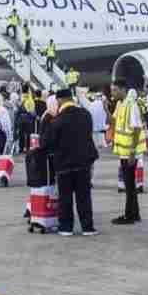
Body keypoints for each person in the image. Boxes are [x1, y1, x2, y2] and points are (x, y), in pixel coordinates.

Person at [43, 88, 99, 236]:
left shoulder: (57, 120)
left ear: (60, 100)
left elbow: (47, 142)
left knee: (65, 197)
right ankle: (87, 227)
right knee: (84, 196)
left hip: (64, 164)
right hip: (83, 163)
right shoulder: (86, 115)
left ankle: (66, 227)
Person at [111, 82, 147, 224]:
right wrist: (105, 109)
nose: (112, 93)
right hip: (124, 151)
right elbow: (112, 121)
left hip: (130, 152)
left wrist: (132, 151)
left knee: (129, 184)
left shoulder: (131, 105)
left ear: (123, 90)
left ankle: (129, 215)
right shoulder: (121, 104)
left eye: (115, 90)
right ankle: (134, 214)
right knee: (129, 184)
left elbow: (137, 129)